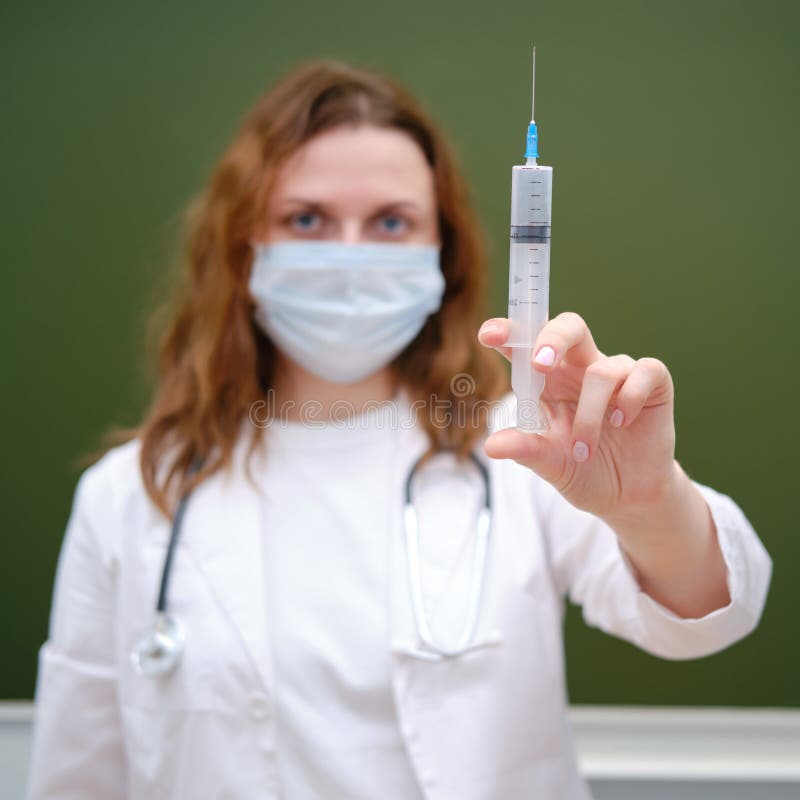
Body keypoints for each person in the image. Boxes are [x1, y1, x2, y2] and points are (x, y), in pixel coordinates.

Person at [26, 59, 772, 800]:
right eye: (307, 219)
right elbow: (75, 778)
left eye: (391, 222)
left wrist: (647, 504)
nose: (350, 255)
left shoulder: (525, 442)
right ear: (244, 247)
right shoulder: (130, 494)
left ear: (440, 255)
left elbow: (704, 618)